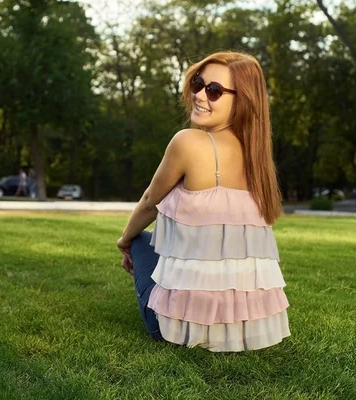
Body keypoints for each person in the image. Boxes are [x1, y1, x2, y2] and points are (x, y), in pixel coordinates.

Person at [116, 51, 290, 352]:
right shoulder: (257, 160)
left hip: (175, 329)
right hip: (246, 331)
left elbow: (149, 202)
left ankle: (169, 305)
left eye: (214, 91)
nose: (199, 95)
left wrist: (124, 241)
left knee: (141, 240)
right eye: (198, 83)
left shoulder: (187, 142)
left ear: (243, 100)